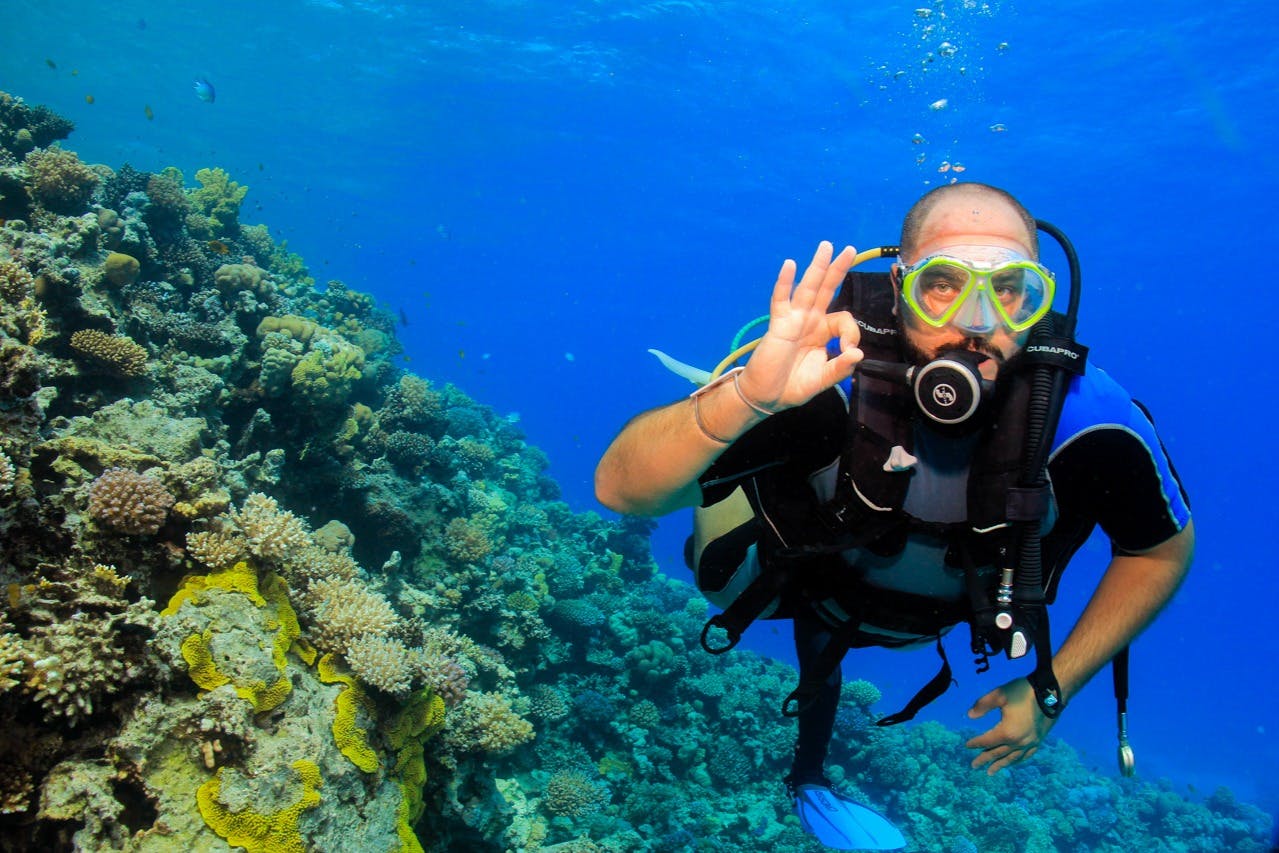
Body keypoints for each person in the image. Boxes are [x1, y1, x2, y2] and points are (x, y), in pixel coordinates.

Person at [594, 182, 1194, 850]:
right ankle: (722, 450)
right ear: (898, 285)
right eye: (943, 284)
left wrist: (1051, 688)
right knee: (717, 557)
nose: (974, 319)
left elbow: (1160, 550)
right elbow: (620, 491)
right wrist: (746, 399)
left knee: (856, 618)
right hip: (777, 570)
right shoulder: (826, 374)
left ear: (1037, 301)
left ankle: (810, 771)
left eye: (1010, 288)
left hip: (918, 612)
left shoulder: (1087, 422)